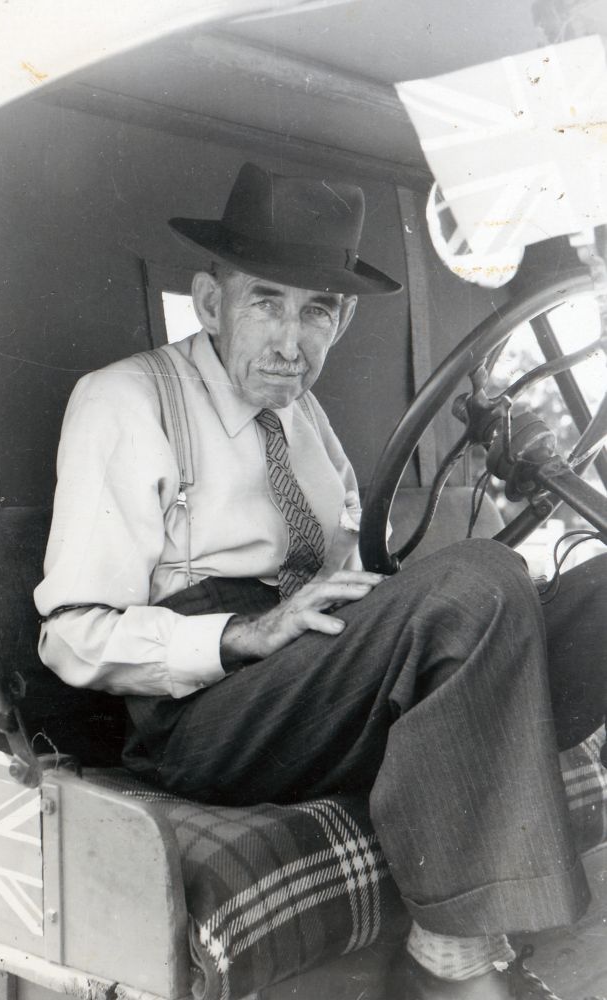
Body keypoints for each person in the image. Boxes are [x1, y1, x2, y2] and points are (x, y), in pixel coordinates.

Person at [35, 161, 607, 1000]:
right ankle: (448, 959)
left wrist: (431, 606)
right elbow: (69, 634)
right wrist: (240, 636)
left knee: (584, 592)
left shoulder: (305, 417)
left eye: (318, 312)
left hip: (312, 679)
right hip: (206, 719)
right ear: (209, 300)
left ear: (339, 321)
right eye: (265, 300)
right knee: (478, 581)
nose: (290, 340)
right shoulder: (126, 402)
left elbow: (348, 578)